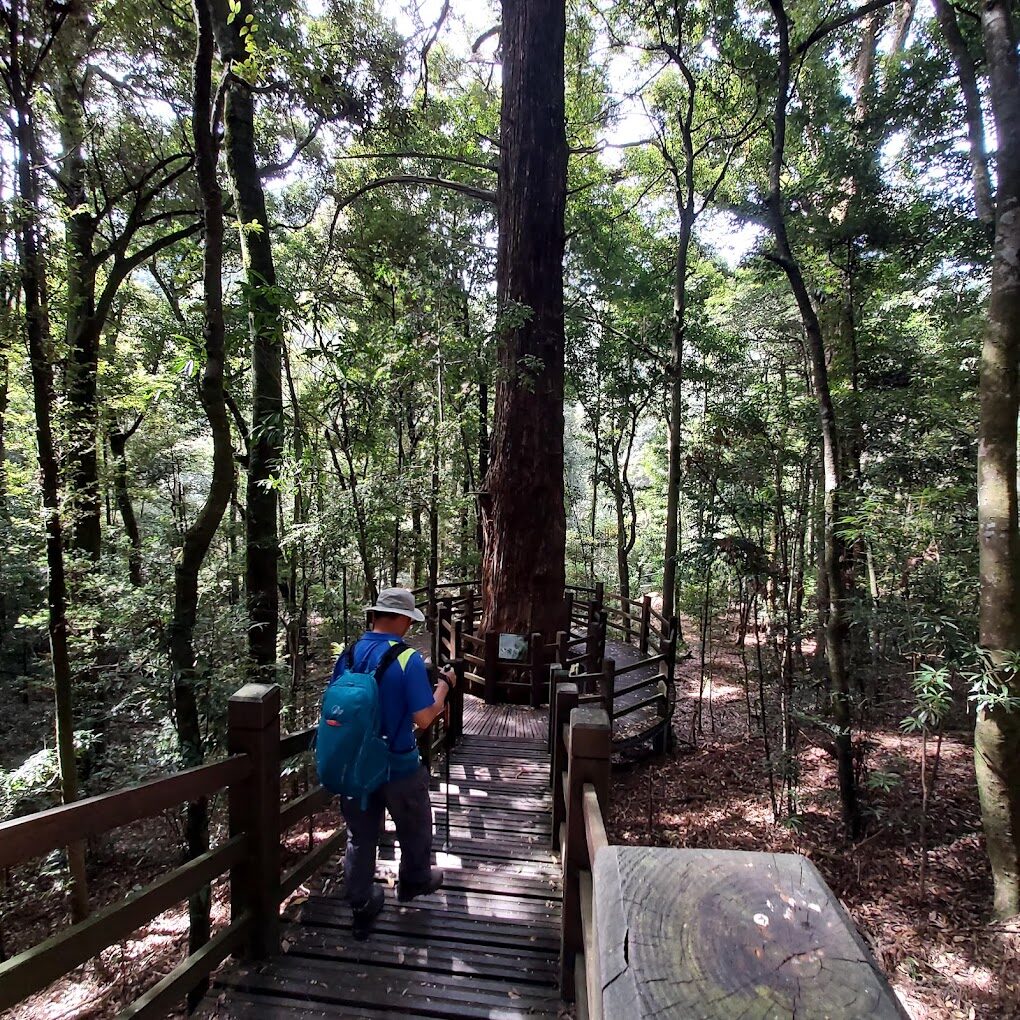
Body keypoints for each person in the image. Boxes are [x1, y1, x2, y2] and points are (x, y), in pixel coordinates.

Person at [335, 586, 457, 939]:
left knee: (360, 834)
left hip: (356, 763)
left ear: (375, 615)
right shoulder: (408, 659)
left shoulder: (350, 654)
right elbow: (423, 718)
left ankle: (361, 903)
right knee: (416, 823)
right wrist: (445, 687)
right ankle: (414, 880)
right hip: (398, 762)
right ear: (404, 620)